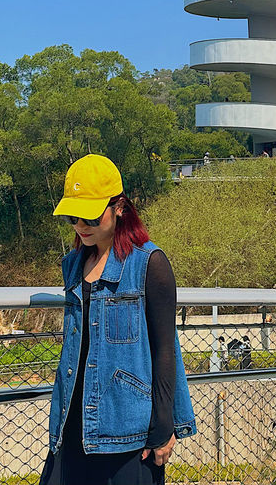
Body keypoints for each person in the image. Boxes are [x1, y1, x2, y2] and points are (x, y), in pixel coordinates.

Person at [40, 154, 197, 485]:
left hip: (129, 432)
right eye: (72, 217)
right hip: (72, 425)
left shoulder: (149, 264)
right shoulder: (73, 263)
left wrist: (164, 426)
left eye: (91, 217)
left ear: (120, 207)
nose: (81, 227)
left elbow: (166, 350)